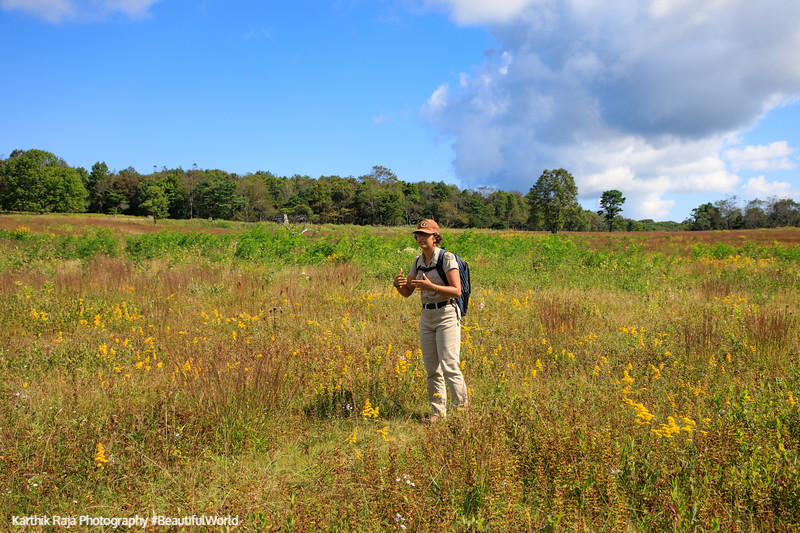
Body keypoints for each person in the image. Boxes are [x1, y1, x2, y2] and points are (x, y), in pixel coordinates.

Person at [393, 219, 468, 424]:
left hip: (446, 314)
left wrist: (432, 287)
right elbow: (408, 292)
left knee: (450, 365)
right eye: (418, 234)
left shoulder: (446, 258)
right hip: (427, 316)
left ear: (435, 237)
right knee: (432, 369)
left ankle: (461, 414)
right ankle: (437, 414)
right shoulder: (417, 261)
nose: (420, 238)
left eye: (425, 235)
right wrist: (398, 285)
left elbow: (457, 290)